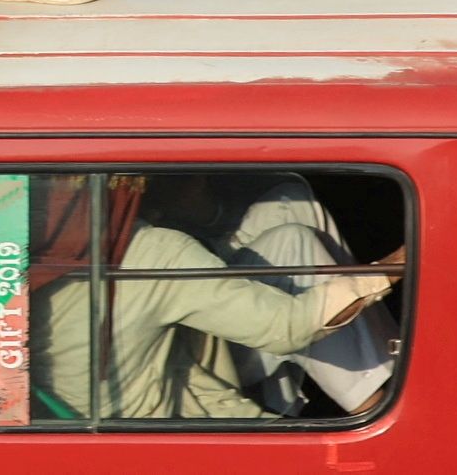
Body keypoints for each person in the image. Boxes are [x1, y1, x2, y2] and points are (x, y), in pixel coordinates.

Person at [27, 215, 401, 419]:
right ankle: (383, 413)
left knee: (291, 237)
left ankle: (386, 387)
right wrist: (400, 263)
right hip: (185, 427)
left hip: (90, 415)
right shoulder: (149, 252)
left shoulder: (13, 253)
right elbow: (287, 325)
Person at [142, 173, 397, 415]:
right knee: (295, 248)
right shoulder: (144, 241)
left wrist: (196, 204)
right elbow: (290, 324)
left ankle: (394, 363)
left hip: (194, 280)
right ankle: (372, 403)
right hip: (189, 351)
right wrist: (387, 270)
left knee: (292, 204)